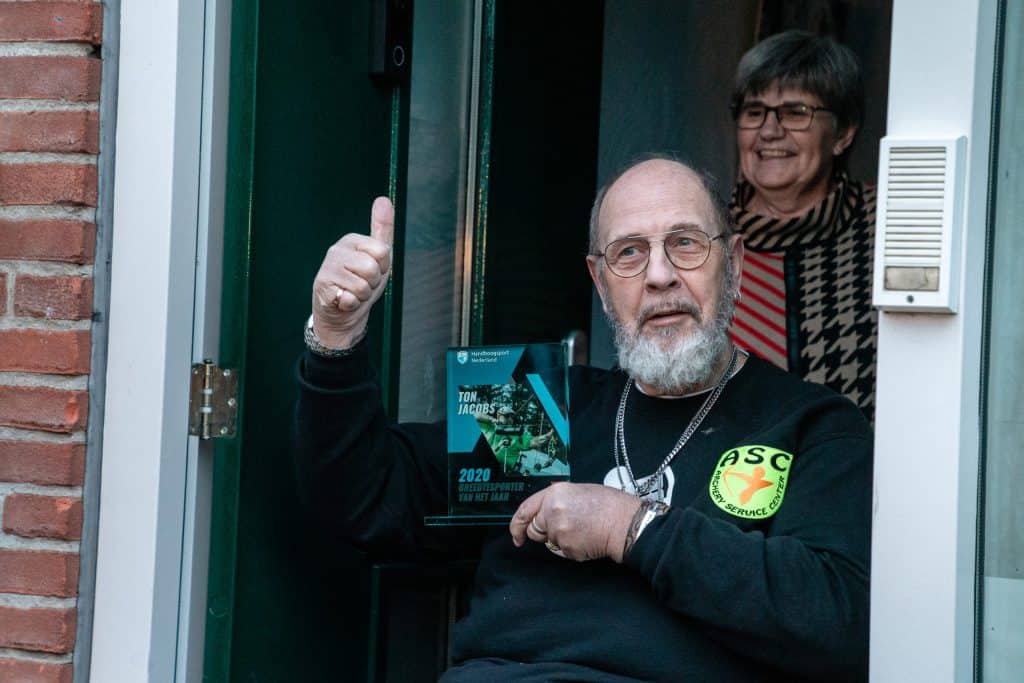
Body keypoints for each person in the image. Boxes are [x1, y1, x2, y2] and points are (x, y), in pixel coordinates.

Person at [294, 157, 872, 681]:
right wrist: (335, 339)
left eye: (687, 244)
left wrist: (634, 528)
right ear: (600, 282)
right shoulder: (544, 405)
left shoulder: (809, 424)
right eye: (629, 253)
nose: (661, 276)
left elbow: (838, 620)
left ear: (736, 263)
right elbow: (366, 499)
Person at [728, 30, 877, 418]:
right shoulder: (706, 239)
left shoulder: (886, 223)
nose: (769, 131)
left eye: (796, 112)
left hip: (860, 468)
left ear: (843, 134)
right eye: (754, 111)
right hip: (732, 475)